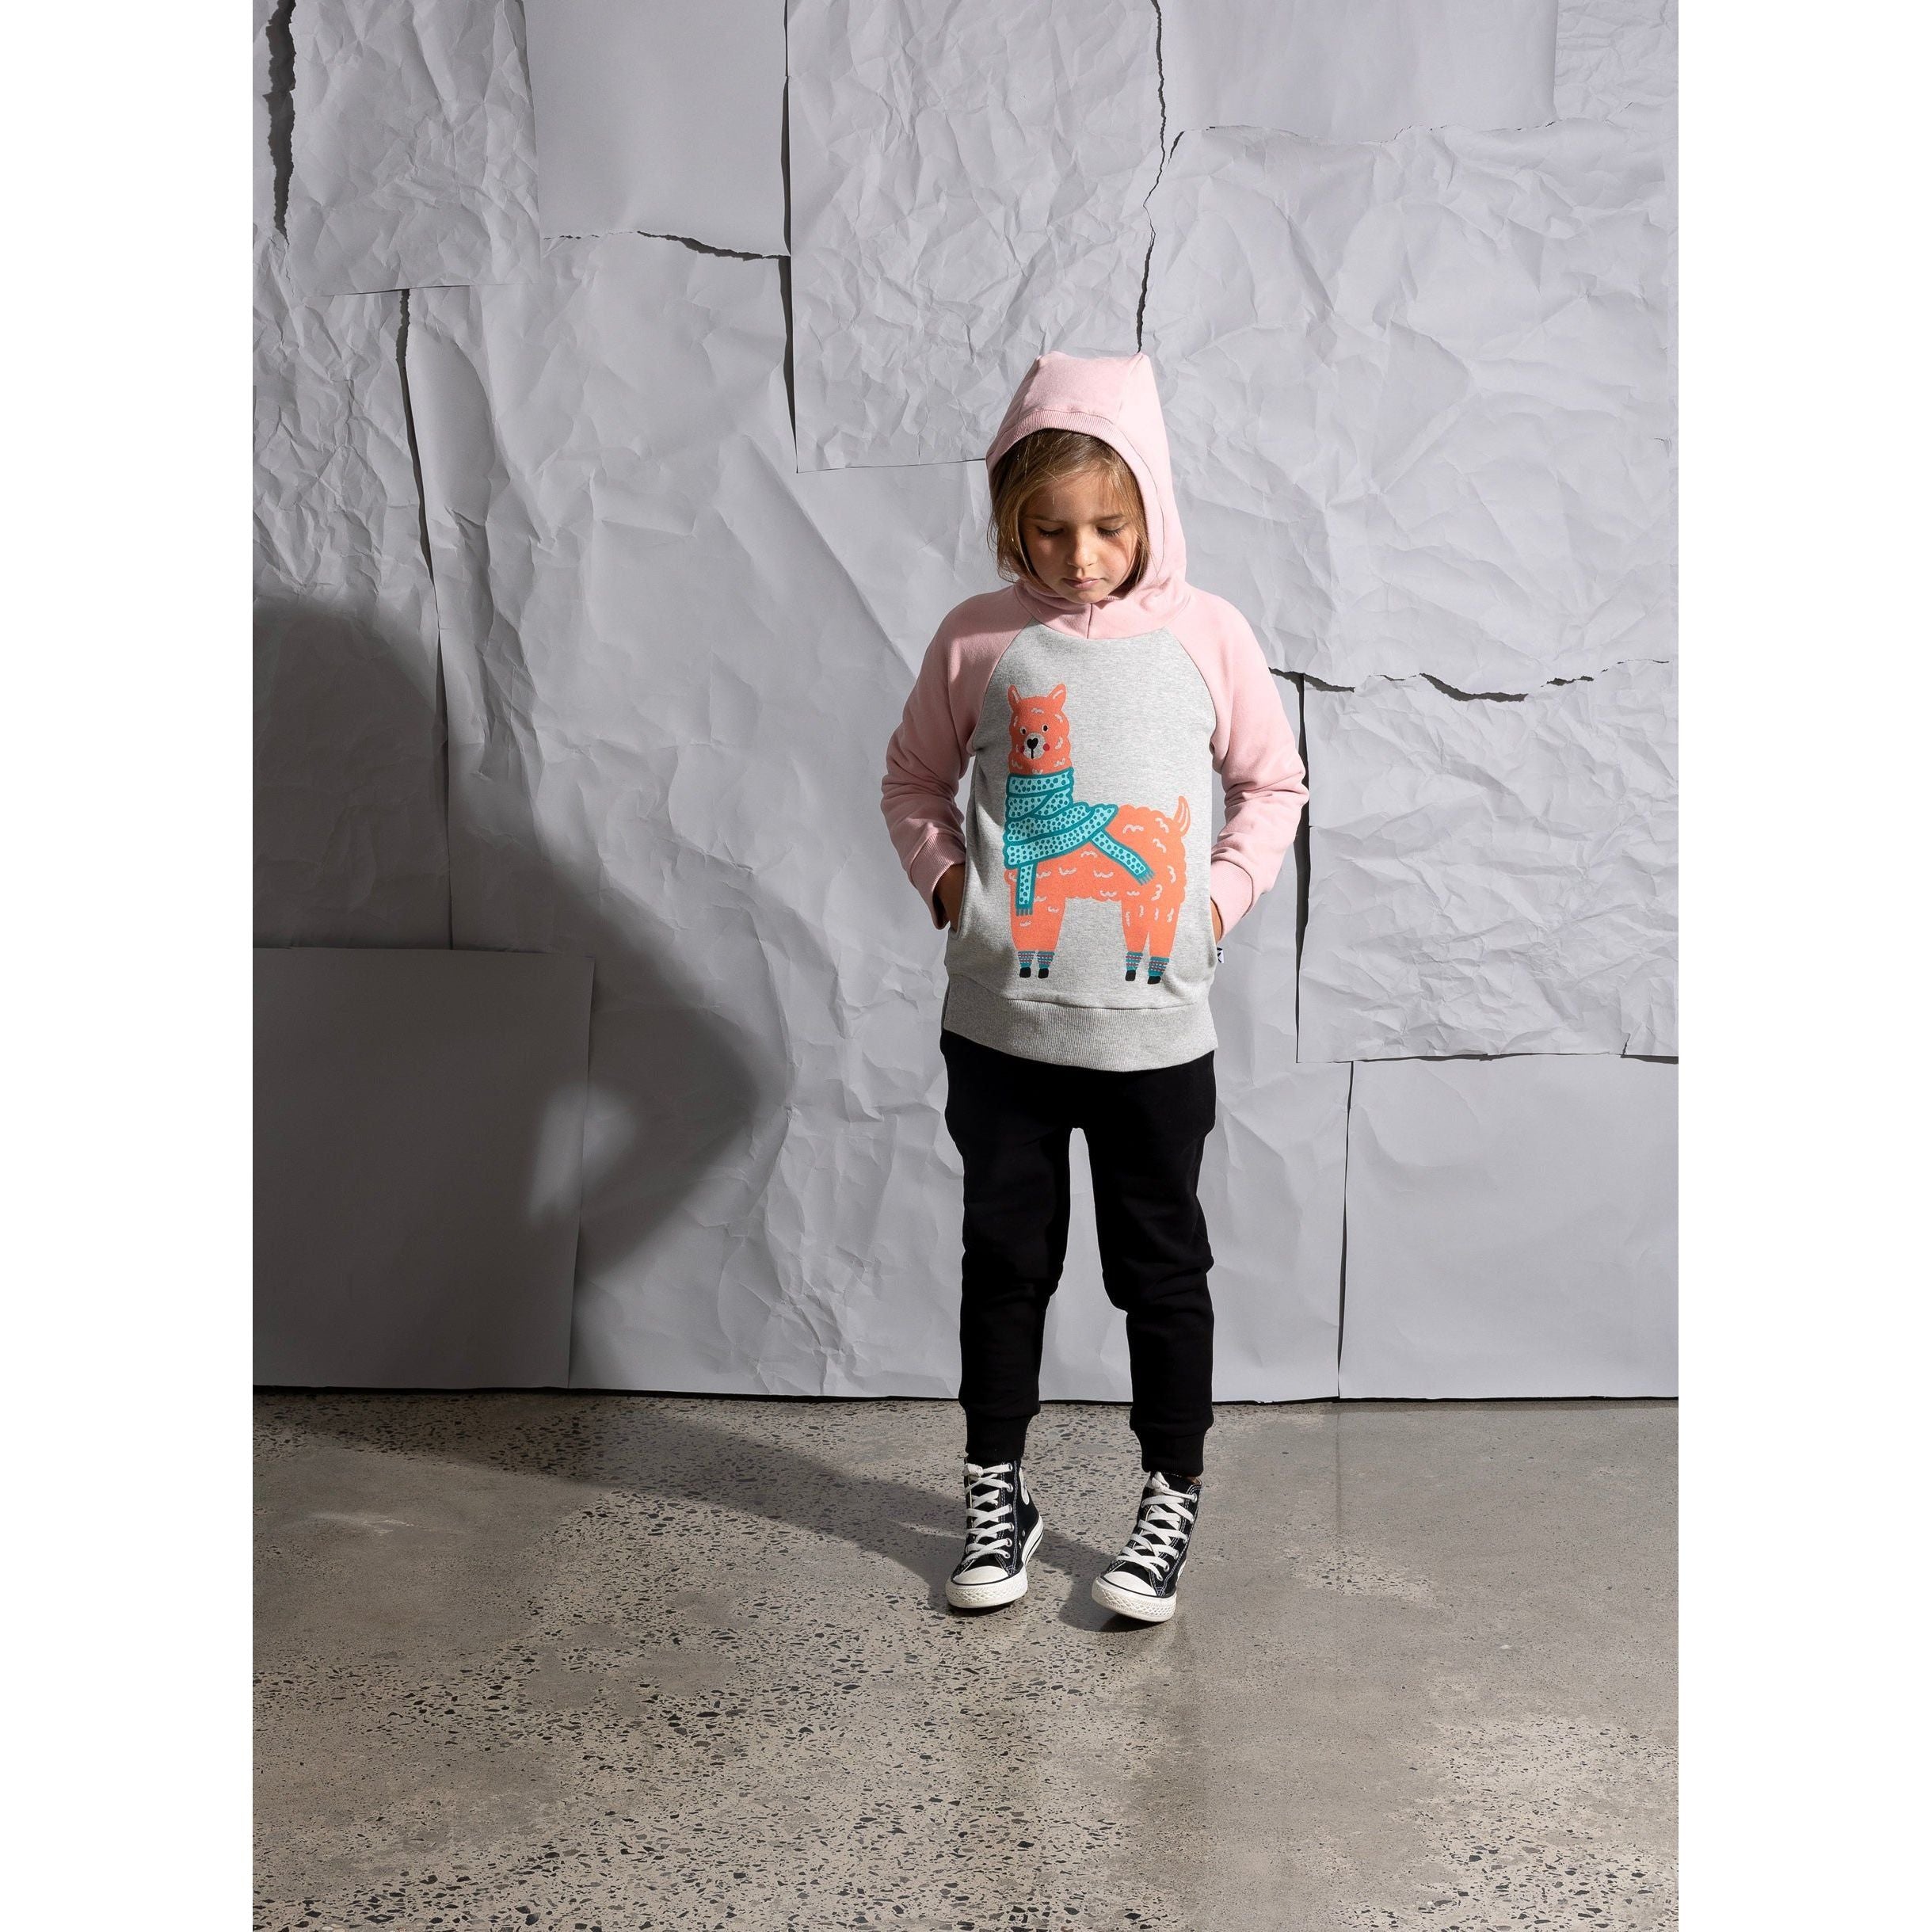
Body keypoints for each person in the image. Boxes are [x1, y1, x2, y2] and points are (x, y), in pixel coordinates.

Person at [878, 350, 1308, 1623]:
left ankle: (1169, 1496)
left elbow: (1273, 785)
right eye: (1052, 530)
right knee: (1004, 1262)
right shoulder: (979, 639)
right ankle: (995, 1492)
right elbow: (912, 781)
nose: (1082, 557)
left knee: (1160, 1269)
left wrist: (1210, 906)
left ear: (1152, 508)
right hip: (1000, 1031)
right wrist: (952, 891)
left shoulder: (1207, 635)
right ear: (1011, 522)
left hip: (1151, 1040)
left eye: (1111, 527)